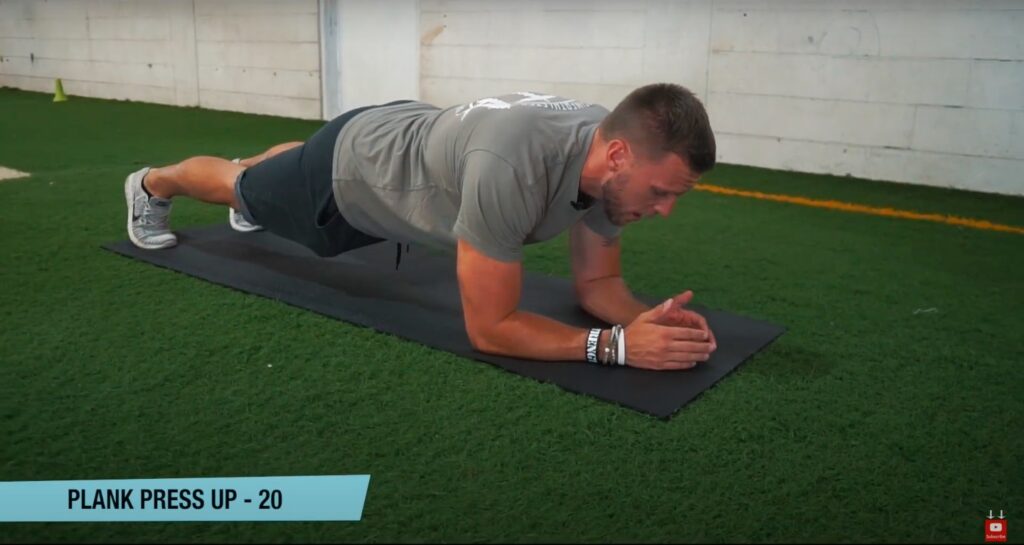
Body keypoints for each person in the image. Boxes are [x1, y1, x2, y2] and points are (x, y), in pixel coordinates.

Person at [123, 83, 718, 371]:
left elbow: (596, 288)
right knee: (244, 191)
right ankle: (153, 183)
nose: (664, 208)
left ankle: (280, 165)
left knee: (283, 170)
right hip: (349, 181)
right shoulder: (513, 167)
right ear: (618, 158)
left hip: (395, 139)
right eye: (662, 192)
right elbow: (491, 329)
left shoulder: (605, 154)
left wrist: (647, 322)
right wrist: (614, 347)